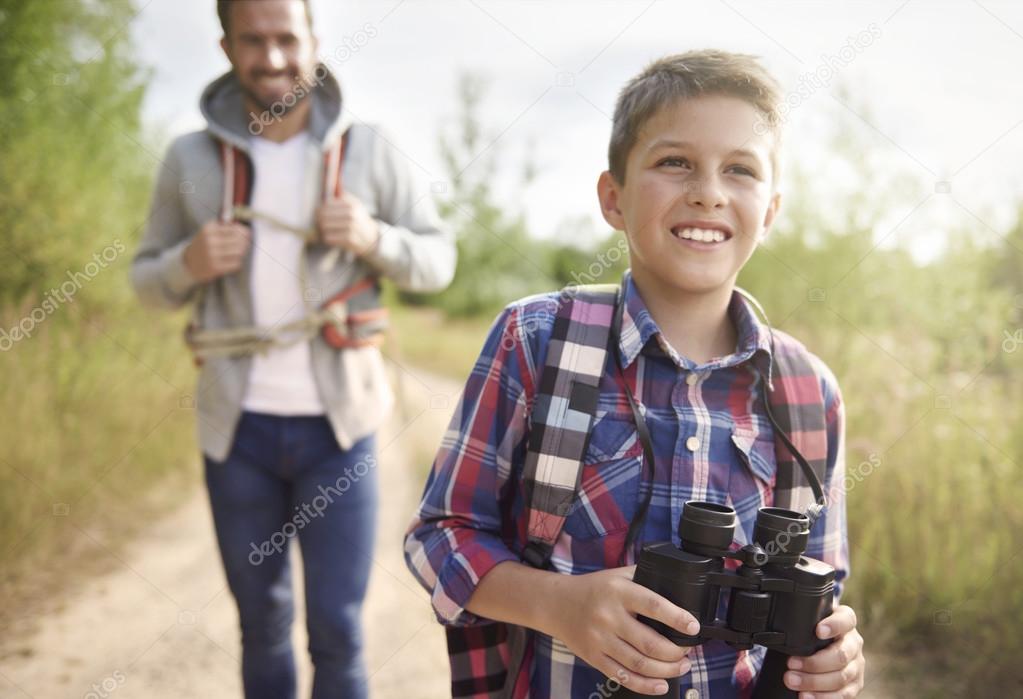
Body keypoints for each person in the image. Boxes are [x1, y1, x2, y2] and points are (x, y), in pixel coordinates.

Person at [405, 50, 864, 698]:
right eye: (674, 162)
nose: (707, 190)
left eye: (739, 169)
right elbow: (440, 535)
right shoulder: (537, 342)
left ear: (769, 211)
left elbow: (825, 578)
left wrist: (830, 655)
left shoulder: (805, 391)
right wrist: (556, 603)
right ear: (612, 197)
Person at [130, 1, 455, 697]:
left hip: (341, 432)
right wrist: (187, 261)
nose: (272, 58)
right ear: (226, 46)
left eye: (286, 39)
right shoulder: (189, 157)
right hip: (236, 434)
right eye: (254, 40)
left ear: (313, 41)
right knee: (262, 621)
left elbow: (437, 262)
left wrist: (374, 238)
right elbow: (146, 281)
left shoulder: (367, 146)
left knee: (338, 629)